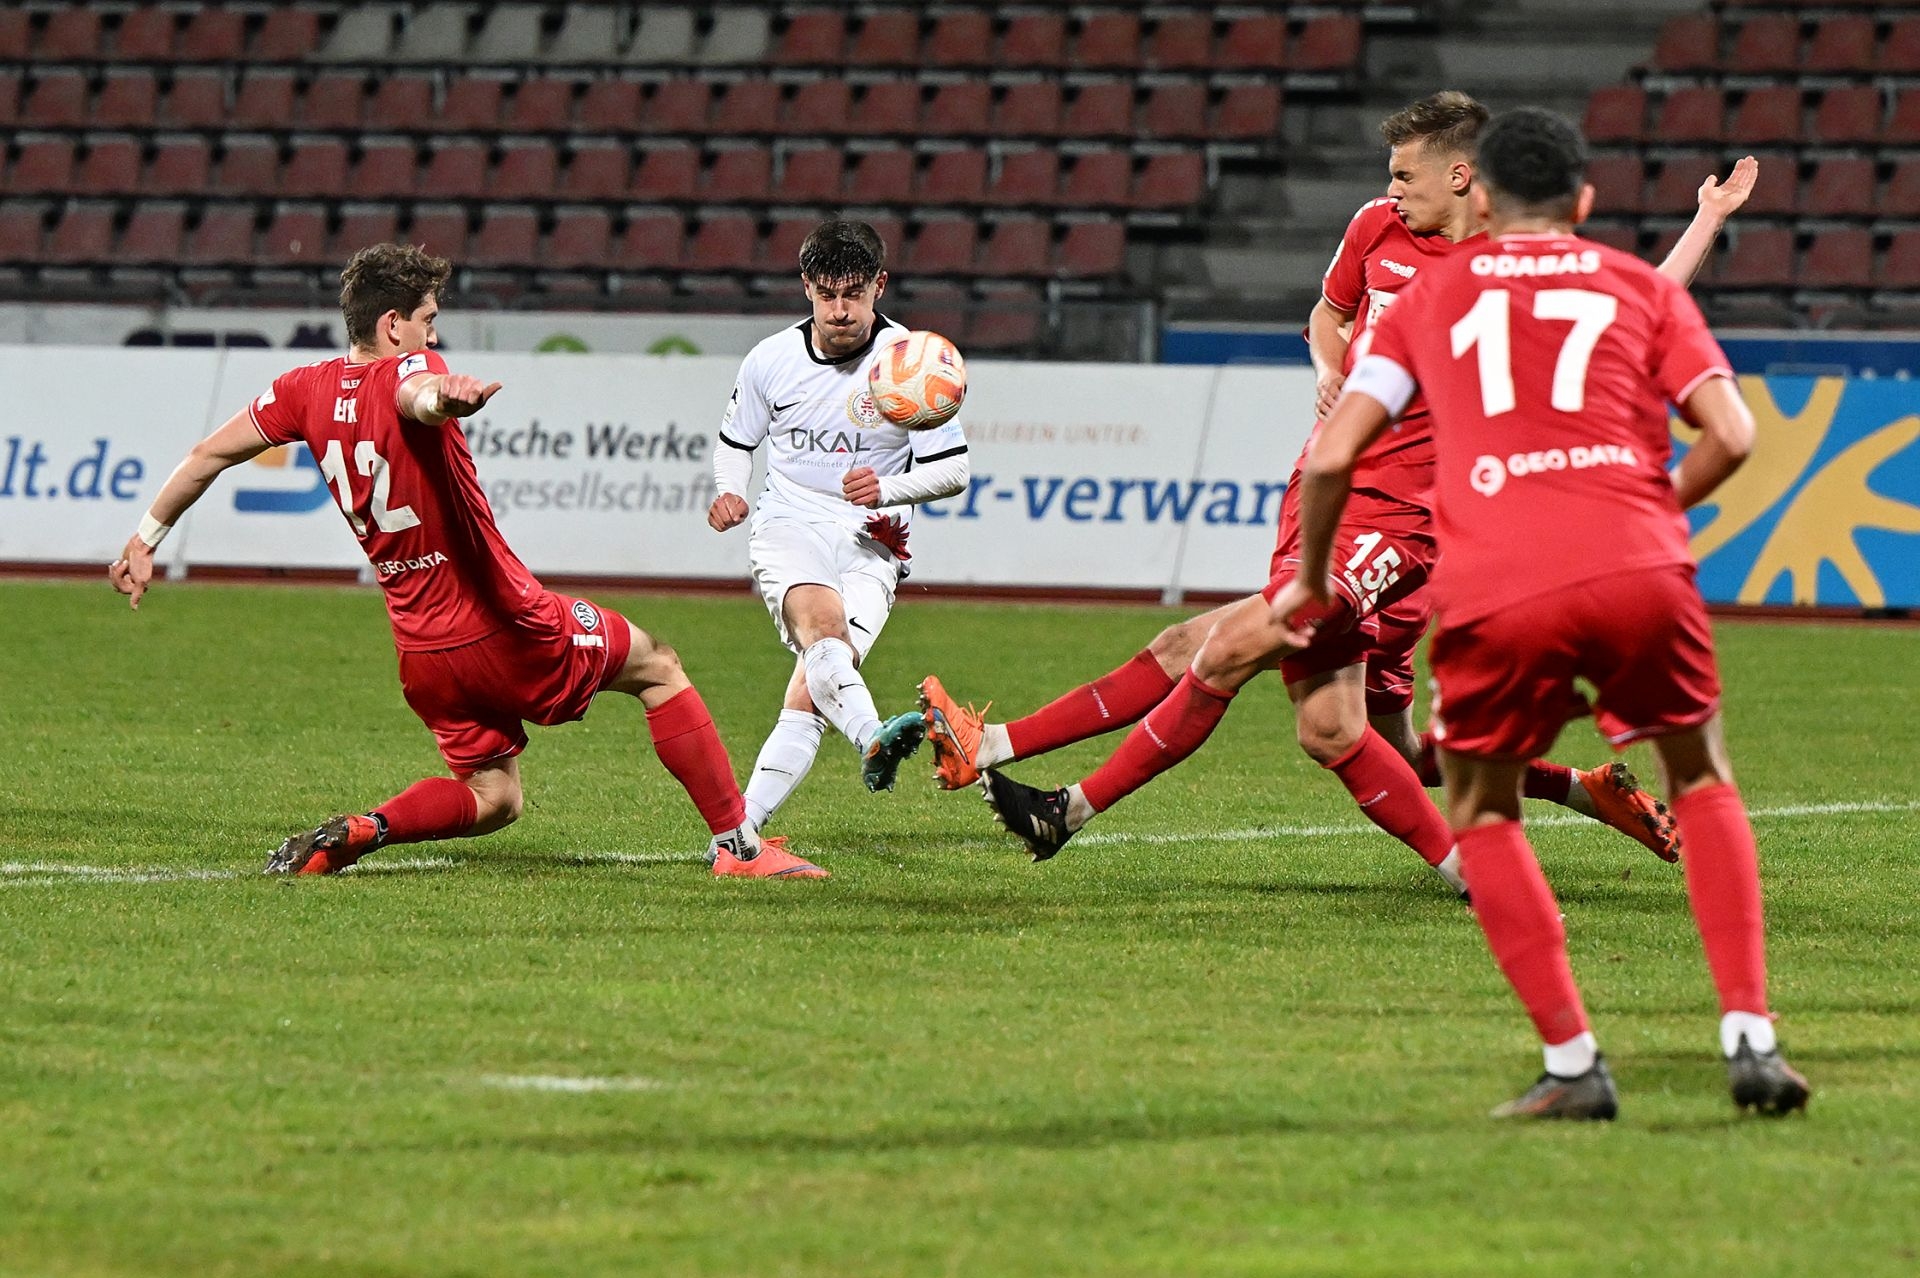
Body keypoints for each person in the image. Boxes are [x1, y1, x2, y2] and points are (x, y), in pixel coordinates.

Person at [926, 93, 1755, 882]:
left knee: (1224, 649)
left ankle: (1058, 802)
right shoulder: (1376, 227)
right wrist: (1330, 367)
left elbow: (1641, 302)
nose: (1392, 190)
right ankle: (1571, 794)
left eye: (1404, 175)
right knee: (1345, 733)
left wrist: (1708, 220)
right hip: (1327, 498)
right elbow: (1330, 314)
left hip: (1401, 525)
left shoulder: (1505, 268)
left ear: (1460, 175)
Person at [1272, 107, 1809, 1119]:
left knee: (1480, 805)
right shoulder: (1635, 285)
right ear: (1586, 199)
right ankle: (1751, 1037)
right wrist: (1656, 506)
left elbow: (1336, 451)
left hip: (1502, 574)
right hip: (1639, 561)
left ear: (1480, 193)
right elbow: (1734, 435)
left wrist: (1309, 579)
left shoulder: (1433, 293)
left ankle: (1573, 1063)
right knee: (1700, 777)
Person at [109, 244, 826, 881]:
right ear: (393, 325)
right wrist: (442, 395)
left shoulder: (303, 389)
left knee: (495, 797)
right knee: (659, 667)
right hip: (503, 623)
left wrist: (145, 539)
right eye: (427, 318)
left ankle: (366, 829)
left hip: (423, 653)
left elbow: (206, 454)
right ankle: (738, 846)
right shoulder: (414, 369)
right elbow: (414, 394)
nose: (433, 333)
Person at [707, 219, 969, 833]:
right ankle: (874, 734)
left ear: (881, 285)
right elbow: (736, 442)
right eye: (827, 295)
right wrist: (729, 490)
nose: (840, 310)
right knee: (824, 632)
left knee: (814, 690)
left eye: (854, 293)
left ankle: (739, 837)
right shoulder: (770, 359)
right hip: (790, 520)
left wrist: (889, 488)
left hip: (875, 539)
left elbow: (954, 470)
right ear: (807, 288)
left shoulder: (912, 362)